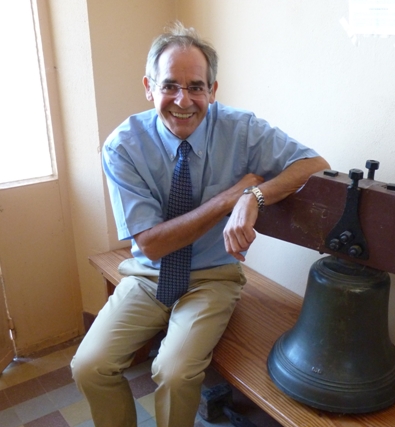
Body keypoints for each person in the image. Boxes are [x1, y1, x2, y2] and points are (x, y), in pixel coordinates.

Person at [71, 21, 329, 427]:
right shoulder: (123, 145)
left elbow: (314, 165)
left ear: (213, 90)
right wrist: (227, 198)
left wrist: (254, 195)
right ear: (148, 87)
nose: (183, 100)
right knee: (89, 366)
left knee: (173, 372)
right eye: (170, 85)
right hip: (148, 275)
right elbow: (152, 245)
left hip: (212, 276)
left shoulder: (241, 129)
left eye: (196, 87)